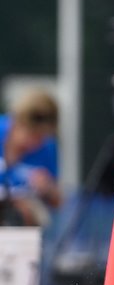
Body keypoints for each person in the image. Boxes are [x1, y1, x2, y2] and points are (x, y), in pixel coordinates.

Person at [0, 87, 61, 227]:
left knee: (26, 212)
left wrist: (47, 187)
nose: (35, 143)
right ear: (16, 122)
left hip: (23, 221)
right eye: (33, 134)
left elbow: (57, 201)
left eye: (41, 137)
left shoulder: (47, 147)